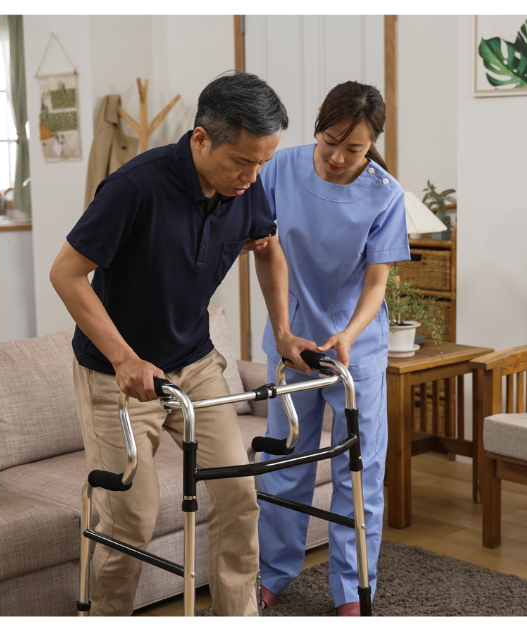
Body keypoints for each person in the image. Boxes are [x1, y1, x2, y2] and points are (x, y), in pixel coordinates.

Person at [49, 72, 314, 616]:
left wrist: (283, 331)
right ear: (200, 139)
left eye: (263, 162)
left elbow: (266, 247)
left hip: (194, 364)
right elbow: (66, 273)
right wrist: (124, 357)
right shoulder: (135, 188)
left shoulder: (246, 183)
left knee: (240, 498)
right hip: (116, 377)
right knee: (132, 517)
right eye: (243, 160)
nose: (253, 175)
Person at [255, 81, 410, 616]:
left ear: (373, 145)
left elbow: (376, 283)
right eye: (331, 142)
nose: (341, 157)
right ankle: (272, 572)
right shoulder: (278, 169)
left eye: (356, 149)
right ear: (317, 126)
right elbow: (263, 250)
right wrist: (280, 330)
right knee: (286, 461)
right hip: (293, 340)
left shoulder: (385, 193)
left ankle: (352, 590)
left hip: (355, 347)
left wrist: (348, 333)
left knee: (358, 470)